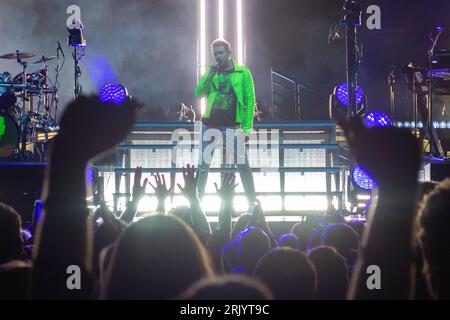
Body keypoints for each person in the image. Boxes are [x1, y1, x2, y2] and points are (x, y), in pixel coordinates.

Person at [194, 38, 256, 208]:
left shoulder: (243, 72)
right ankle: (197, 204)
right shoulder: (211, 72)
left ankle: (252, 204)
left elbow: (250, 99)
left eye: (221, 53)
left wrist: (247, 127)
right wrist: (209, 75)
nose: (218, 56)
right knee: (203, 165)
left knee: (243, 166)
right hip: (210, 124)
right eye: (215, 54)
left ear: (229, 53)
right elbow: (199, 93)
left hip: (233, 126)